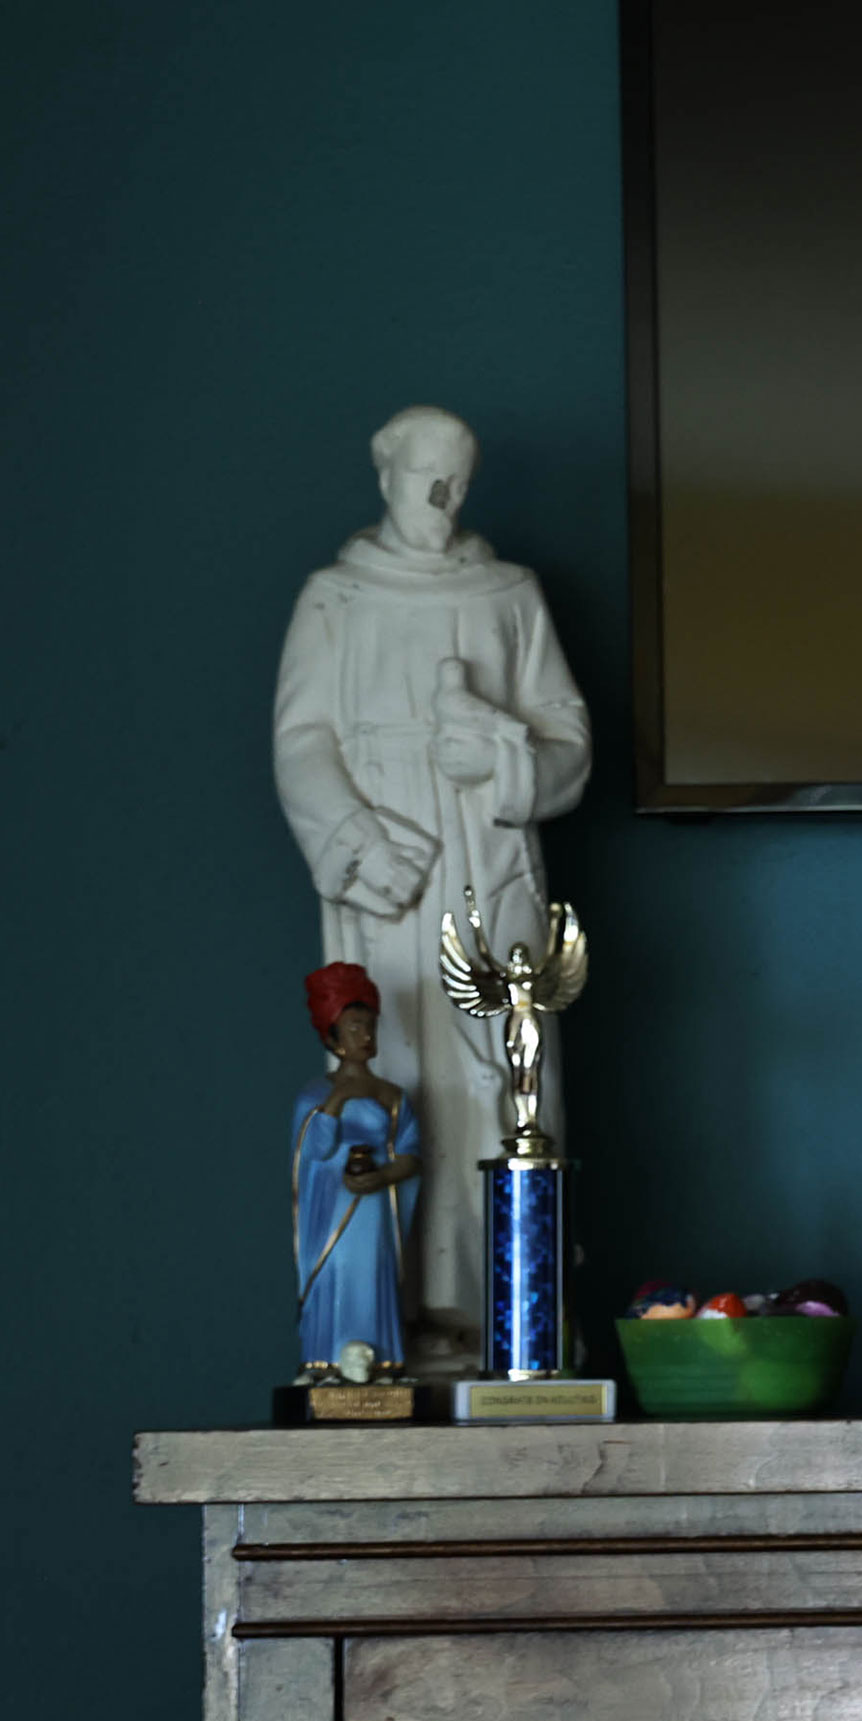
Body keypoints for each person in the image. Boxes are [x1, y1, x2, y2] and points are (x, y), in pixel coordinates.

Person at [272, 404, 591, 1362]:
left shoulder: (510, 595)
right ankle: (400, 1320)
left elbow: (569, 743)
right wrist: (363, 843)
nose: (444, 496)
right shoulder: (335, 599)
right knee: (404, 1066)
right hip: (395, 881)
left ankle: (515, 1313)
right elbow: (301, 741)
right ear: (387, 478)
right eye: (427, 476)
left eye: (458, 479)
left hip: (490, 861)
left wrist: (502, 763)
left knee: (506, 1073)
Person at [293, 962, 421, 1374]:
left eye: (370, 1027)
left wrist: (383, 1176)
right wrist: (337, 1100)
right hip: (332, 1207)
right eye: (354, 1027)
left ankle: (380, 1361)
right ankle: (328, 1359)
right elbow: (314, 1150)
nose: (365, 1036)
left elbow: (410, 1155)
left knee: (372, 1274)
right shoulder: (314, 1095)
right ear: (333, 1036)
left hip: (373, 1207)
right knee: (338, 1270)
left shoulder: (392, 1096)